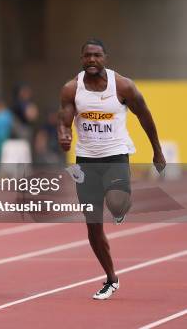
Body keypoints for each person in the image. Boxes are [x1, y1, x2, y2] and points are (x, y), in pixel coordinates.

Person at [58, 38, 166, 300]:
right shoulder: (72, 89)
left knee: (116, 202)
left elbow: (145, 115)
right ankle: (111, 278)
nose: (92, 60)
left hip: (115, 154)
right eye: (87, 56)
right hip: (86, 160)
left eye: (97, 55)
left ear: (105, 57)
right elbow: (64, 120)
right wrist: (63, 135)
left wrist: (157, 150)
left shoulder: (124, 86)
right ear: (81, 59)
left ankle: (120, 207)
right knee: (93, 226)